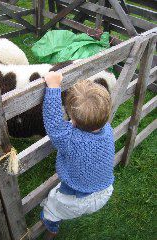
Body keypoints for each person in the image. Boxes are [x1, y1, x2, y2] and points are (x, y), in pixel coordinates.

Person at [40, 71, 115, 240]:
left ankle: (51, 229)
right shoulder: (108, 129)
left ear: (72, 119)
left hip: (75, 198)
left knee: (50, 210)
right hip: (105, 191)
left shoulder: (69, 138)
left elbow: (53, 123)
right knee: (76, 205)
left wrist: (53, 87)